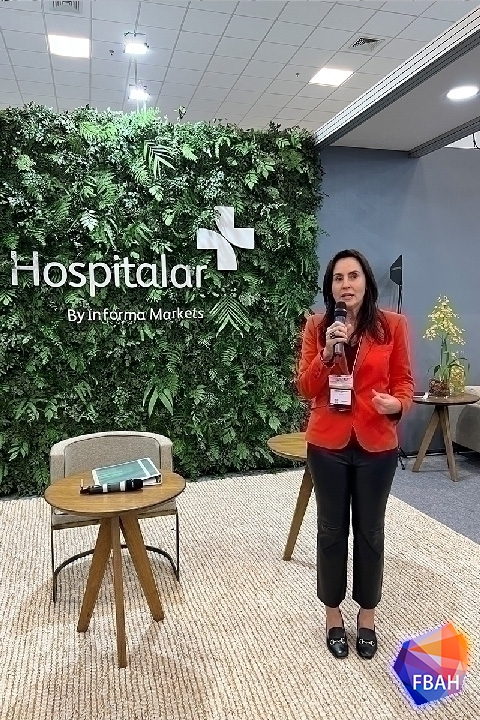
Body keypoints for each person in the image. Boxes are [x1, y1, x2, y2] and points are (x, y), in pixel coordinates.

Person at [297, 249, 414, 660]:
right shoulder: (318, 327)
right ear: (330, 287)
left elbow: (404, 383)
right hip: (327, 444)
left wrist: (397, 405)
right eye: (338, 278)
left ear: (366, 282)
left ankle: (367, 616)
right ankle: (332, 614)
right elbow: (305, 387)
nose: (346, 284)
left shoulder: (392, 326)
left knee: (370, 531)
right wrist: (327, 354)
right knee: (331, 530)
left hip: (376, 443)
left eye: (353, 276)